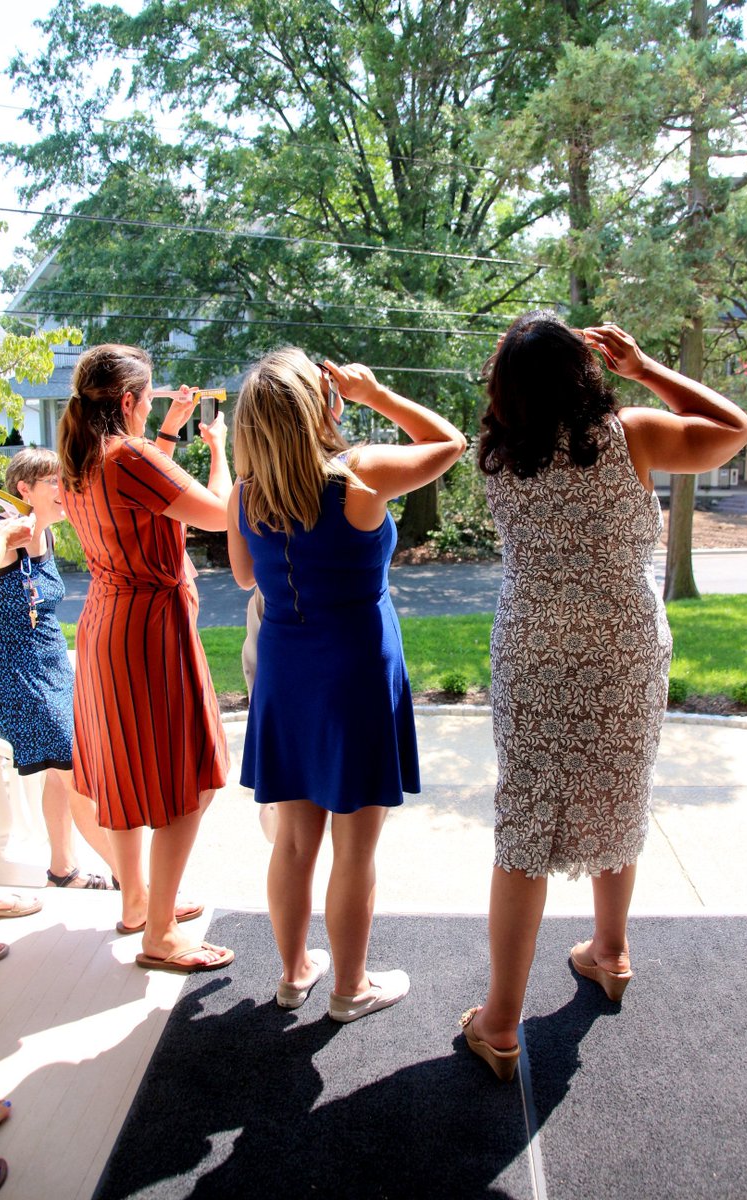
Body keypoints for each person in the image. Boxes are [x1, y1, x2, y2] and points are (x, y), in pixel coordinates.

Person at [461, 316, 747, 1080]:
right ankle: (611, 952)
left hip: (534, 649)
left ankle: (498, 1023)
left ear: (507, 388)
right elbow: (735, 428)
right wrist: (647, 366)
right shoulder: (635, 436)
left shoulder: (492, 455)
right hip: (624, 646)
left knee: (526, 819)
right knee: (621, 791)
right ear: (586, 374)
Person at [228, 350, 465, 1021]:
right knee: (355, 847)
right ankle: (349, 989)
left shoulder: (246, 492)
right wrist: (376, 391)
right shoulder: (359, 475)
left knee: (296, 842)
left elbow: (245, 578)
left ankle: (294, 972)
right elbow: (450, 442)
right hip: (356, 673)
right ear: (318, 406)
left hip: (285, 672)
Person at [57, 344, 234, 973]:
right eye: (150, 392)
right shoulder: (126, 456)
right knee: (187, 780)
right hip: (148, 631)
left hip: (106, 621)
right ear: (128, 400)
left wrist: (165, 431)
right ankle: (158, 933)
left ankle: (136, 902)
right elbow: (217, 513)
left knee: (126, 776)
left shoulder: (78, 457)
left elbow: (143, 495)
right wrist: (219, 453)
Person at [0, 449, 118, 890]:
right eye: (56, 482)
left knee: (63, 773)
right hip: (18, 679)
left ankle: (63, 869)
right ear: (25, 489)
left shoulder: (47, 537)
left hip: (56, 673)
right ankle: (134, 881)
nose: (67, 490)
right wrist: (4, 538)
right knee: (77, 772)